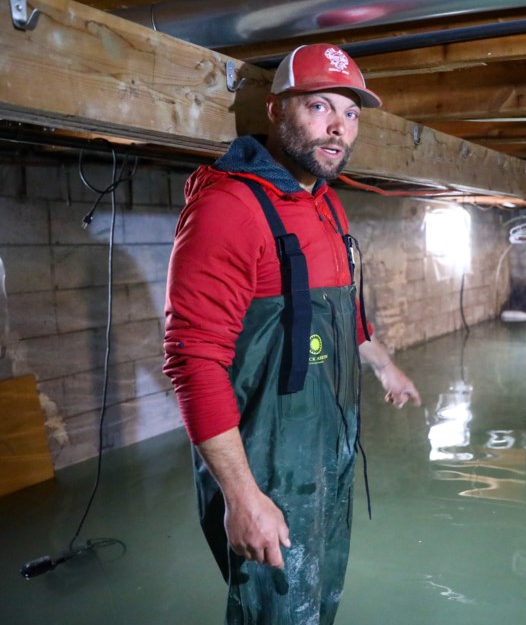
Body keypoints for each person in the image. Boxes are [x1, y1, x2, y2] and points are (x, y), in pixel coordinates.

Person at [163, 43, 421, 624]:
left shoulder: (327, 207)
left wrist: (382, 364)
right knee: (274, 612)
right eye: (319, 107)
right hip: (267, 467)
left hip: (326, 454)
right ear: (277, 110)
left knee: (317, 602)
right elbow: (193, 359)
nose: (338, 128)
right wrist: (242, 497)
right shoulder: (229, 208)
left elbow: (340, 312)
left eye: (351, 113)